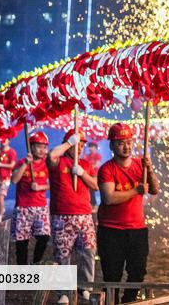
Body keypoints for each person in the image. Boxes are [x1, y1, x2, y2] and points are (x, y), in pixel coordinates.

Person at [96, 123, 160, 303]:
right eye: (121, 143)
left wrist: (150, 170)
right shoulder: (106, 169)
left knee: (138, 272)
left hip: (137, 229)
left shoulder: (141, 165)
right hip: (111, 231)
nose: (126, 147)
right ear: (112, 146)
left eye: (129, 142)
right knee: (112, 275)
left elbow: (154, 190)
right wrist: (135, 191)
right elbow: (108, 198)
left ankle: (127, 302)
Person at [47, 129, 98, 304]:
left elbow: (96, 185)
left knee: (88, 251)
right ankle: (63, 292)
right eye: (77, 144)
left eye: (82, 144)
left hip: (84, 215)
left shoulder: (86, 164)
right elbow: (51, 155)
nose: (80, 147)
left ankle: (85, 287)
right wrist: (69, 142)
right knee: (63, 254)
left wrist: (82, 173)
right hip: (62, 215)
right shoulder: (58, 161)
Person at [11, 131, 51, 265]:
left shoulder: (48, 164)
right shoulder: (21, 162)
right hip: (23, 207)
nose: (42, 150)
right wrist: (25, 164)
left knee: (44, 237)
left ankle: (36, 264)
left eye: (45, 147)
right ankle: (22, 270)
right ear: (31, 147)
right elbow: (14, 180)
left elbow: (53, 184)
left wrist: (40, 187)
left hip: (41, 207)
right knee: (22, 242)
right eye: (39, 146)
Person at [0, 137, 17, 223]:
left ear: (8, 140)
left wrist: (0, 164)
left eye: (5, 139)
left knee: (1, 195)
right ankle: (1, 209)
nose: (3, 141)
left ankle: (0, 215)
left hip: (6, 178)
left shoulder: (11, 152)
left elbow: (12, 165)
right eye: (1, 139)